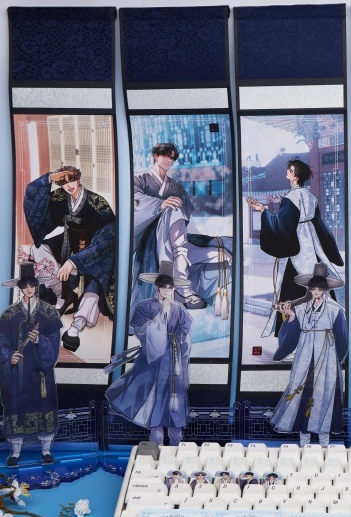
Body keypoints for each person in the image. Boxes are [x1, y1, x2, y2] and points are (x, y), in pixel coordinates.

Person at [22, 165, 117, 352]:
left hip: (95, 248)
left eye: (72, 180)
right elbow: (33, 195)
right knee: (38, 248)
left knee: (97, 279)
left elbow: (109, 236)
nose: (69, 185)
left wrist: (75, 261)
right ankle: (62, 293)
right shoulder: (60, 198)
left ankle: (77, 325)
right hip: (68, 241)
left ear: (78, 179)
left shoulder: (97, 202)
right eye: (63, 182)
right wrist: (49, 178)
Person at [247, 159, 344, 336]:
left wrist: (263, 211)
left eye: (290, 170)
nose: (287, 172)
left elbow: (282, 225)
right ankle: (324, 327)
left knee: (292, 284)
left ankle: (291, 332)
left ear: (296, 177)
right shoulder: (310, 196)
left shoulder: (290, 198)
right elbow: (318, 223)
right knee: (317, 282)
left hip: (296, 244)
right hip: (312, 243)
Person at [105, 261, 192, 446]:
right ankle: (156, 444)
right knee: (154, 401)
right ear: (157, 287)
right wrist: (161, 318)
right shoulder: (145, 307)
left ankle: (177, 444)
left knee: (175, 403)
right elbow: (141, 331)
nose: (167, 290)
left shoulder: (179, 309)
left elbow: (185, 336)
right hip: (152, 361)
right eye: (163, 286)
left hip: (173, 360)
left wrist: (182, 358)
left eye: (170, 287)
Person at [270, 264, 349, 447]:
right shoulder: (300, 309)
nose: (316, 292)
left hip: (327, 355)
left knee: (325, 395)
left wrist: (336, 360)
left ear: (325, 290)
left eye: (320, 289)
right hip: (305, 354)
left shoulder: (335, 310)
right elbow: (292, 334)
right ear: (309, 289)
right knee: (302, 394)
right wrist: (291, 317)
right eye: (313, 289)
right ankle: (304, 441)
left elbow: (342, 338)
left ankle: (324, 441)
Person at [130, 142, 211, 311]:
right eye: (166, 156)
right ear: (156, 156)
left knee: (176, 217)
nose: (169, 161)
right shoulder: (139, 179)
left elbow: (187, 210)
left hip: (173, 233)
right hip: (147, 234)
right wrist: (160, 204)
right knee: (172, 212)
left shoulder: (176, 186)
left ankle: (182, 287)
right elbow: (133, 201)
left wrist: (173, 209)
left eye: (172, 158)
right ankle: (180, 290)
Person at [0, 263, 62, 467]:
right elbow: (2, 342)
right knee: (17, 406)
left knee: (44, 404)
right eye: (25, 285)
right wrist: (10, 356)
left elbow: (55, 342)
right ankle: (15, 451)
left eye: (32, 284)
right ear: (20, 288)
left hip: (40, 372)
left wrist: (39, 340)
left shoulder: (49, 313)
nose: (29, 289)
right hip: (18, 372)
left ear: (36, 285)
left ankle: (46, 450)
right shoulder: (9, 314)